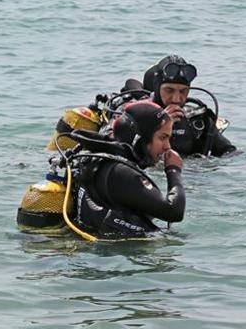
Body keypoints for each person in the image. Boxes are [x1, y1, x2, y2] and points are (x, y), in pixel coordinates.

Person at [67, 101, 186, 239]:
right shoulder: (120, 173)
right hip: (107, 254)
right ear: (140, 139)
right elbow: (173, 211)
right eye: (163, 137)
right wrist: (174, 170)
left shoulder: (102, 160)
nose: (167, 146)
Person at [120, 55, 236, 157]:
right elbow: (115, 148)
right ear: (157, 88)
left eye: (183, 91)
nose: (176, 99)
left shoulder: (197, 120)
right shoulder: (136, 114)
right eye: (169, 90)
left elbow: (229, 151)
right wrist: (158, 123)